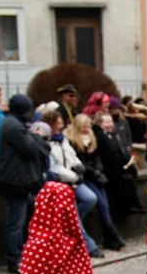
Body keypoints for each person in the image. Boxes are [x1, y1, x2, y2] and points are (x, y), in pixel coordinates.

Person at [0, 95, 48, 273]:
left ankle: (26, 254)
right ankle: (14, 259)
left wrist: (35, 139)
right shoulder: (13, 126)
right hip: (15, 181)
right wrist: (36, 138)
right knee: (15, 222)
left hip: (19, 180)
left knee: (27, 217)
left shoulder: (14, 124)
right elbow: (30, 149)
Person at [44, 110, 104, 258]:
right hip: (62, 181)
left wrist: (78, 165)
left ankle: (69, 227)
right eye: (58, 123)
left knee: (90, 198)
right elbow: (55, 166)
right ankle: (88, 245)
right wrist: (73, 176)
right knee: (73, 212)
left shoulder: (62, 139)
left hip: (74, 179)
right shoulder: (47, 142)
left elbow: (71, 155)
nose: (61, 125)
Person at [65, 114, 125, 251]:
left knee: (105, 205)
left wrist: (98, 169)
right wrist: (94, 171)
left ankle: (110, 236)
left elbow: (96, 157)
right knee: (99, 203)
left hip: (95, 175)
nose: (86, 128)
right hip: (86, 176)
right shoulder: (73, 140)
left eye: (88, 126)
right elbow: (80, 162)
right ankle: (111, 235)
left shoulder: (91, 138)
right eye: (84, 126)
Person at [93, 112, 145, 217]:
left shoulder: (112, 135)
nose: (110, 124)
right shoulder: (100, 137)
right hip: (111, 171)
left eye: (110, 121)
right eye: (106, 122)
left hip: (121, 167)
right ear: (99, 123)